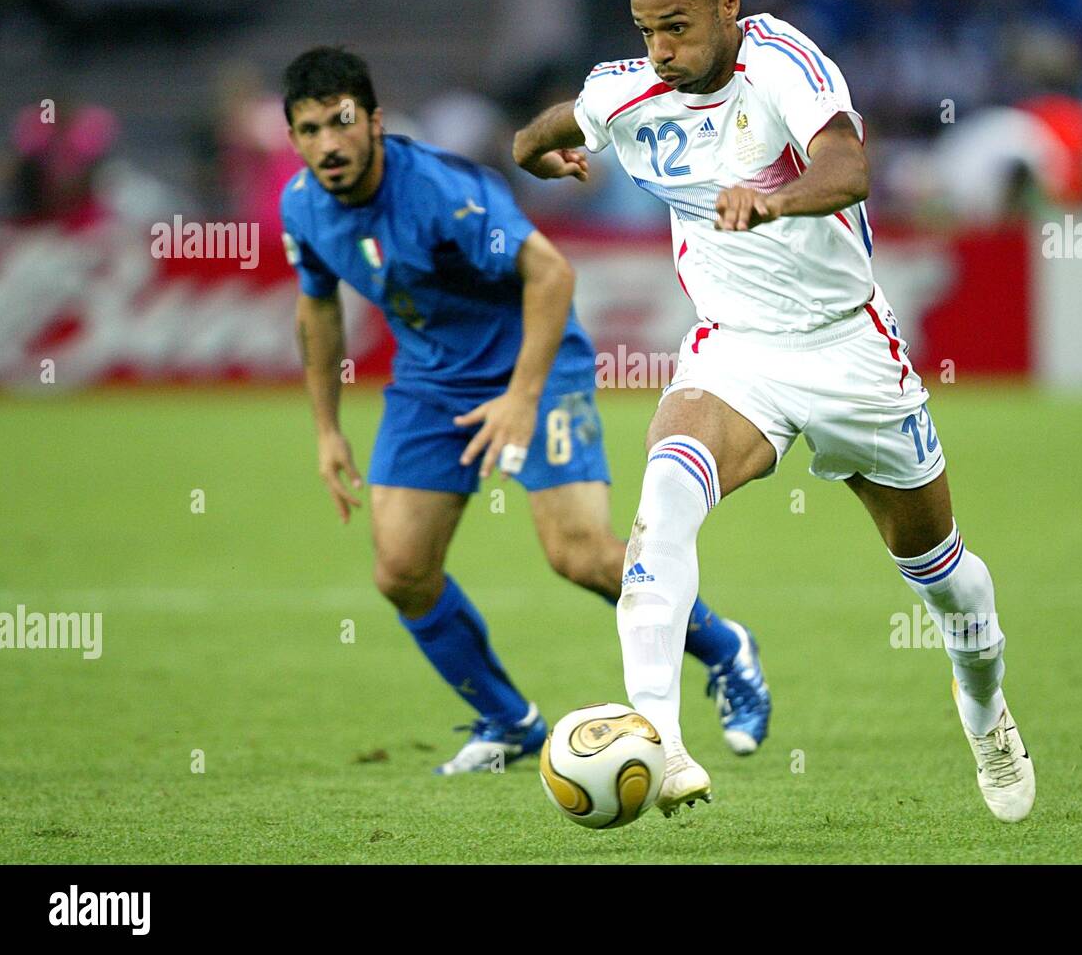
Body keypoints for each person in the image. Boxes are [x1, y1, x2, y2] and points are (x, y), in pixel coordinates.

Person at [513, 0, 1034, 820]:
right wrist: (538, 153)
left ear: (727, 8)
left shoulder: (781, 60)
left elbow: (847, 165)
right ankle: (661, 739)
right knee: (663, 505)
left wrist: (775, 199)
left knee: (943, 575)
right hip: (736, 350)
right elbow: (543, 129)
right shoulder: (625, 92)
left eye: (676, 28)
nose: (661, 52)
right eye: (646, 33)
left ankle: (985, 711)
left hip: (848, 351)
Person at [279, 46, 771, 775]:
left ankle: (726, 648)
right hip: (430, 382)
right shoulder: (303, 207)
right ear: (293, 139)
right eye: (309, 129)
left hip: (534, 362)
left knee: (579, 553)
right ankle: (508, 721)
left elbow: (552, 273)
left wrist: (520, 397)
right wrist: (325, 430)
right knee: (402, 570)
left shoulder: (443, 192)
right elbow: (316, 307)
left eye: (341, 122)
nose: (328, 143)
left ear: (375, 122)